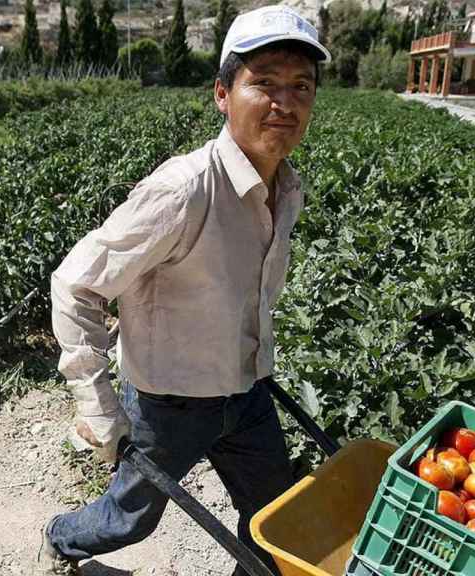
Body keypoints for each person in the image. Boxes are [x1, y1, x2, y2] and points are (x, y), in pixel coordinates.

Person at [37, 5, 330, 575]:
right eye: (263, 83)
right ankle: (59, 540)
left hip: (246, 393)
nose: (284, 102)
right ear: (223, 93)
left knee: (274, 518)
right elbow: (76, 285)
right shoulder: (184, 191)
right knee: (131, 520)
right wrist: (97, 407)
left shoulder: (286, 188)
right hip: (170, 402)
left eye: (301, 86)